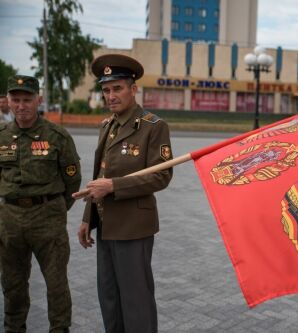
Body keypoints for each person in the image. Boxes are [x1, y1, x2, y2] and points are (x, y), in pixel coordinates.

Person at [76, 54, 173, 332]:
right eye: (106, 90)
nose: (111, 95)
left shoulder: (153, 126)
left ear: (133, 89)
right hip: (106, 226)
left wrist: (115, 186)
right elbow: (100, 176)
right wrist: (88, 219)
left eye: (117, 88)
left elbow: (162, 174)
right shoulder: (107, 126)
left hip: (133, 227)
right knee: (109, 298)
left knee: (136, 301)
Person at [0, 75, 81, 332]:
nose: (21, 106)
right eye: (16, 99)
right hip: (10, 220)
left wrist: (54, 208)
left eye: (27, 99)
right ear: (8, 101)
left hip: (48, 219)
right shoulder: (1, 136)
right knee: (12, 285)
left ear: (39, 100)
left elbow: (72, 179)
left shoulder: (57, 136)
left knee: (56, 285)